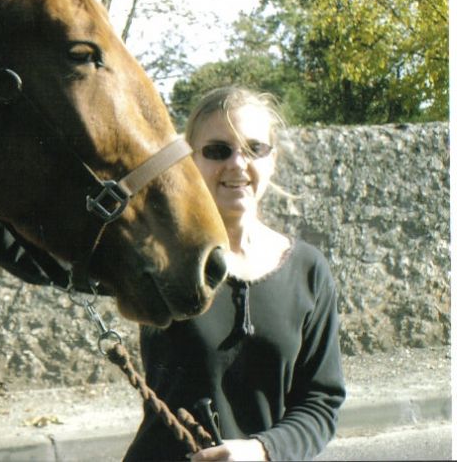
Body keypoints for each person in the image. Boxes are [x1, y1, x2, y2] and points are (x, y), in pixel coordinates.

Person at [123, 86, 345, 461]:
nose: (237, 163)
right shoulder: (159, 256)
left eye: (254, 148)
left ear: (273, 159)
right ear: (190, 160)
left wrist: (262, 450)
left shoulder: (308, 271)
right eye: (218, 150)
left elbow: (320, 401)